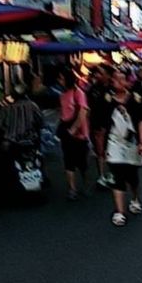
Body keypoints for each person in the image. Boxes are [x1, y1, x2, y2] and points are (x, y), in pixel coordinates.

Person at [104, 69, 142, 227]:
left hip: (131, 142)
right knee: (117, 175)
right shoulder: (108, 100)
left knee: (132, 175)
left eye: (123, 80)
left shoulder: (135, 99)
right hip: (114, 142)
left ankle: (135, 198)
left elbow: (141, 121)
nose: (119, 83)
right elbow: (103, 124)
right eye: (116, 80)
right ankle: (120, 211)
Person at [57, 68, 90, 200]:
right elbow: (63, 113)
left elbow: (83, 112)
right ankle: (72, 188)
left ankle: (85, 185)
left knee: (82, 162)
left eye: (61, 78)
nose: (59, 80)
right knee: (68, 160)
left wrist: (74, 129)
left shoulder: (78, 93)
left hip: (79, 133)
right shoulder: (62, 95)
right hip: (66, 130)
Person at [87, 65, 114, 186]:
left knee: (111, 150)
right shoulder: (93, 89)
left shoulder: (113, 89)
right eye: (96, 73)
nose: (97, 75)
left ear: (108, 75)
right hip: (96, 124)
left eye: (101, 73)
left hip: (111, 125)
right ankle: (102, 175)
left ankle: (112, 174)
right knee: (99, 150)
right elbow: (88, 108)